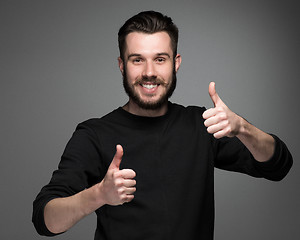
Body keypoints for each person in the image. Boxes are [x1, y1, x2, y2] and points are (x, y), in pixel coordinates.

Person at [32, 11, 293, 240]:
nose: (149, 72)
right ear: (122, 66)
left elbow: (278, 165)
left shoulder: (202, 125)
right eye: (137, 60)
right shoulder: (94, 134)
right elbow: (45, 220)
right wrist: (98, 195)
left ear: (175, 63)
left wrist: (242, 128)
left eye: (160, 59)